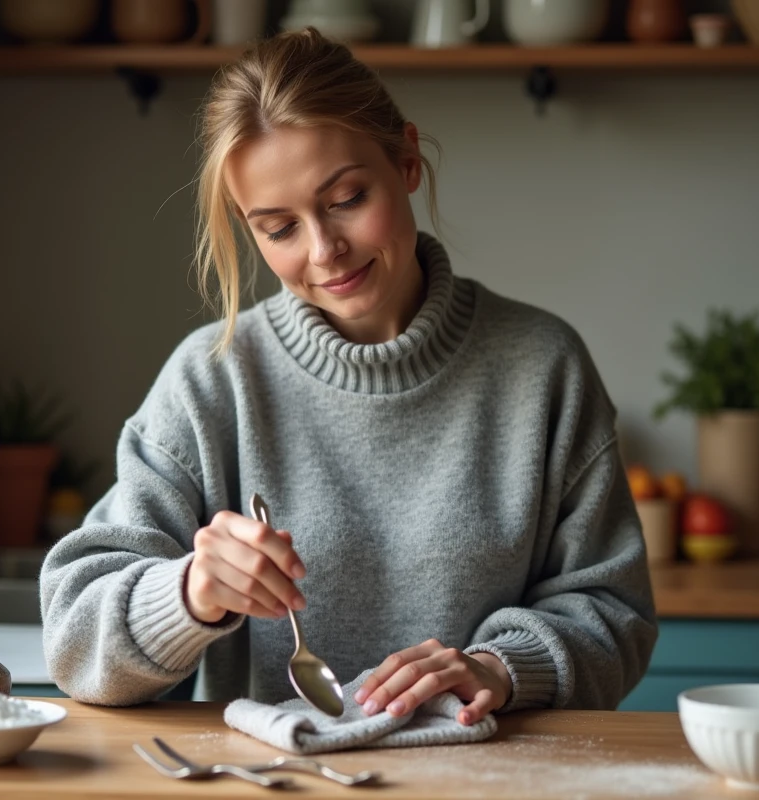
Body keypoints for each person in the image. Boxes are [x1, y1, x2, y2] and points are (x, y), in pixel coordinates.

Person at [40, 27, 657, 726]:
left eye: (347, 198)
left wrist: (501, 668)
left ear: (408, 159)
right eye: (279, 229)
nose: (325, 250)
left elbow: (614, 616)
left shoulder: (544, 366)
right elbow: (71, 639)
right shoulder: (211, 381)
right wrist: (186, 594)